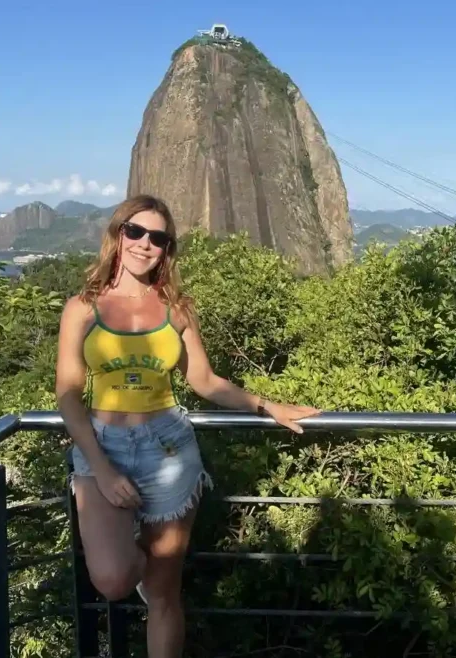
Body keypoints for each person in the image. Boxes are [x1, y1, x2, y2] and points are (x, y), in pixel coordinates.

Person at [55, 194, 320, 658]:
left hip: (169, 451)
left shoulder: (176, 307)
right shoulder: (83, 307)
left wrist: (267, 405)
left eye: (158, 237)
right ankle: (139, 550)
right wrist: (102, 466)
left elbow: (204, 380)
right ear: (117, 235)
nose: (144, 244)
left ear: (167, 248)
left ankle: (156, 574)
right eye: (134, 232)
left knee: (164, 591)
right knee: (113, 578)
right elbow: (68, 395)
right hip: (103, 447)